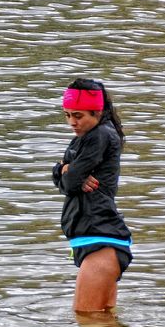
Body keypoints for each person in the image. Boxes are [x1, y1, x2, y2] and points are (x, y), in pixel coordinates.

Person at [52, 78, 132, 313]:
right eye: (67, 115)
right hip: (97, 243)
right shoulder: (85, 136)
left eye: (78, 115)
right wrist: (63, 169)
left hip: (101, 243)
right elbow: (64, 176)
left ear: (97, 112)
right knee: (102, 326)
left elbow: (70, 182)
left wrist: (67, 171)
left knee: (87, 320)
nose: (72, 123)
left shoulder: (99, 135)